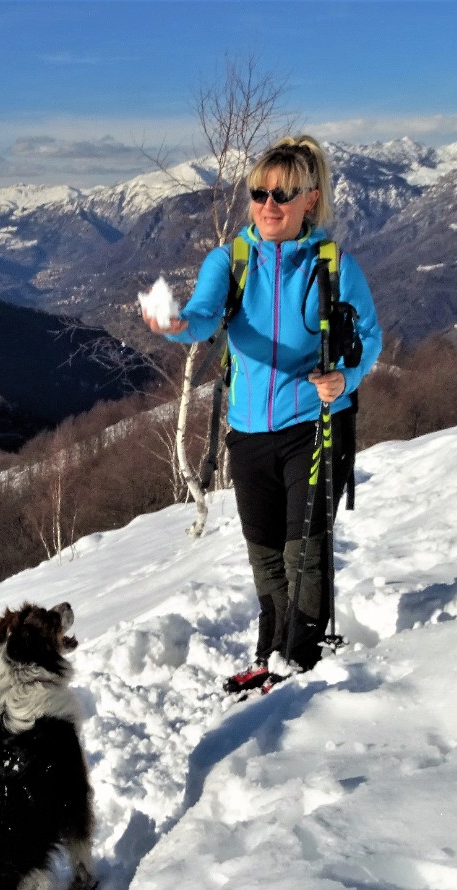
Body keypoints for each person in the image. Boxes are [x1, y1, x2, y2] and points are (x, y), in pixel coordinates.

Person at [142, 135, 382, 694]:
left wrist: (344, 378)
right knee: (267, 557)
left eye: (283, 194)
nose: (269, 204)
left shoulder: (335, 266)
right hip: (247, 434)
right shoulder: (231, 260)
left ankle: (300, 660)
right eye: (259, 192)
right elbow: (204, 315)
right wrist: (179, 326)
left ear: (309, 199)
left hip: (314, 426)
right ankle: (270, 652)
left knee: (306, 553)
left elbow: (369, 338)